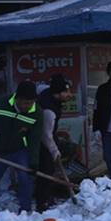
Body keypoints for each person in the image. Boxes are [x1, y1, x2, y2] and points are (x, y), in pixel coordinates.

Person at [0, 81, 42, 217]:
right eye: (25, 103)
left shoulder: (36, 112)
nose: (28, 106)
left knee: (25, 179)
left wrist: (33, 161)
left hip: (20, 150)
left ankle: (25, 209)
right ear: (17, 98)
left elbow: (35, 139)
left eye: (31, 103)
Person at [36, 74, 74, 211]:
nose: (70, 94)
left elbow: (40, 87)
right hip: (38, 138)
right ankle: (43, 201)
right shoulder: (49, 111)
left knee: (53, 163)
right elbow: (46, 136)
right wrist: (54, 151)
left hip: (48, 133)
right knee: (46, 168)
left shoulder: (47, 91)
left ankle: (47, 195)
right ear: (58, 94)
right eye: (66, 92)